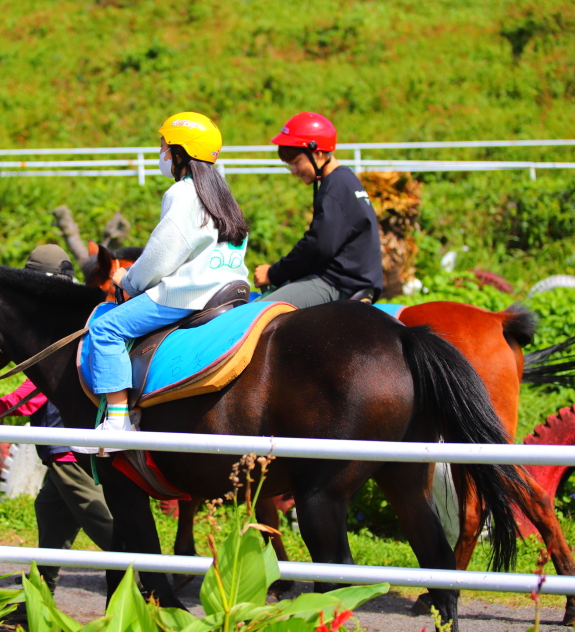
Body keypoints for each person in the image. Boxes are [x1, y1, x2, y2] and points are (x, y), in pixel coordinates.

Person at [0, 244, 114, 594]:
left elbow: (38, 392)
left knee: (107, 528)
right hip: (59, 447)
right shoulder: (70, 319)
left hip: (69, 449)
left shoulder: (59, 326)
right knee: (49, 511)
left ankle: (146, 580)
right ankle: (38, 595)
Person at [91, 111, 250, 432]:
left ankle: (118, 424)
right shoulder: (222, 192)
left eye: (164, 147)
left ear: (180, 153)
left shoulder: (183, 192)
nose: (161, 154)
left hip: (189, 295)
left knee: (105, 329)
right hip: (234, 288)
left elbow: (162, 256)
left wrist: (129, 281)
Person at [253, 112, 384, 308]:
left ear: (318, 153)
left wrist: (274, 273)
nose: (295, 171)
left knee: (256, 312)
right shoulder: (345, 180)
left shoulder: (335, 188)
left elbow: (318, 245)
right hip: (354, 278)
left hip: (338, 282)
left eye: (296, 163)